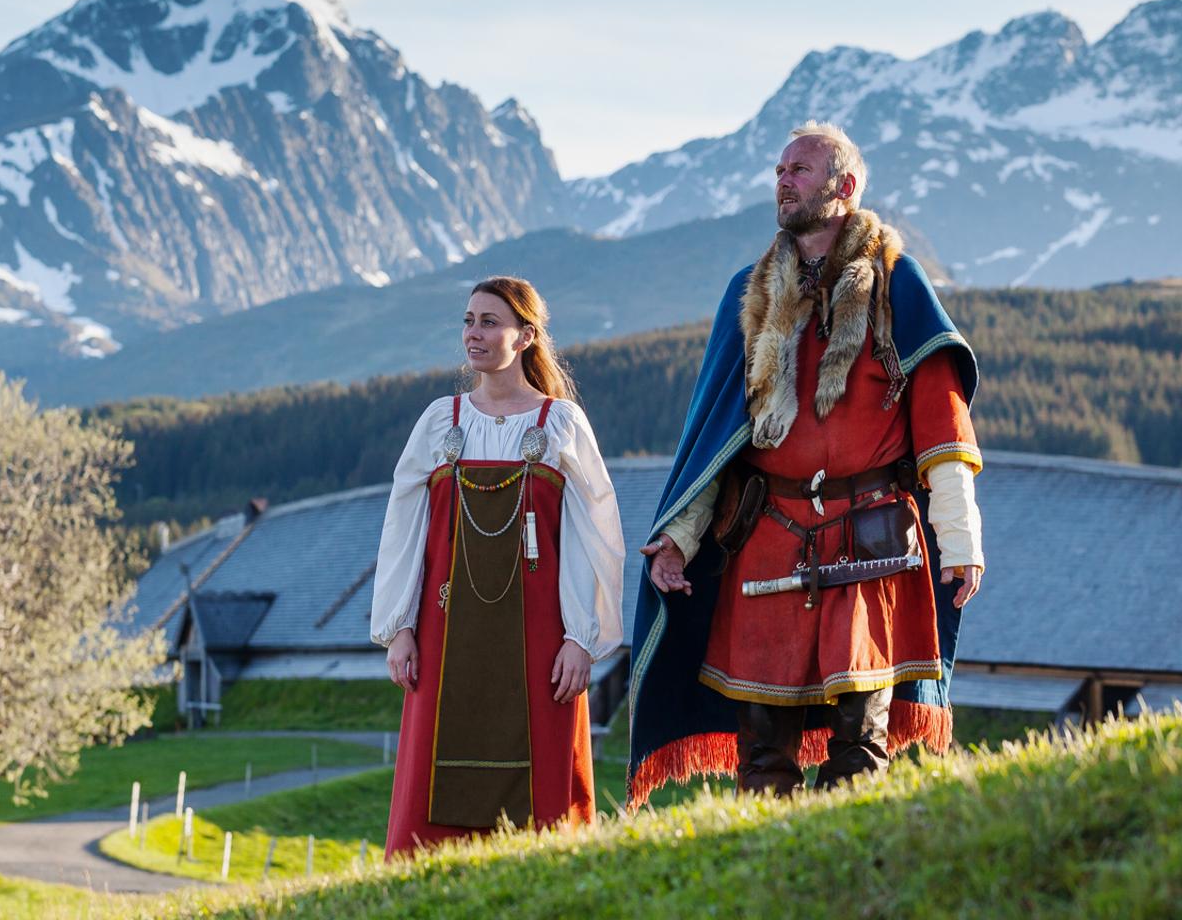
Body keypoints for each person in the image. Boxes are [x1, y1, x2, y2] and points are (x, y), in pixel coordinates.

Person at [626, 122, 985, 803]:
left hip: (872, 538)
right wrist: (677, 539)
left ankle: (848, 868)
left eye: (801, 169)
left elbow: (943, 425)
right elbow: (719, 433)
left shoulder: (894, 284)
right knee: (763, 741)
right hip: (767, 534)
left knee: (860, 737)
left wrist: (961, 540)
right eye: (780, 170)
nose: (783, 180)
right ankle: (764, 871)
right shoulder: (752, 290)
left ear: (843, 187)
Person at [372, 276, 627, 857]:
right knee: (433, 781)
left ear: (526, 335)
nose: (474, 333)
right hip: (443, 632)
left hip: (540, 636)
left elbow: (597, 536)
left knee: (543, 803)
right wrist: (400, 627)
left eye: (489, 322)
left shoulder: (560, 424)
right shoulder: (441, 422)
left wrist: (581, 639)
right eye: (468, 321)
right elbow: (403, 528)